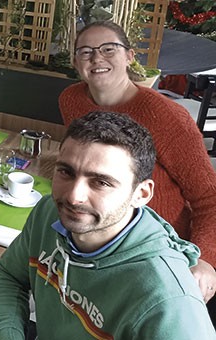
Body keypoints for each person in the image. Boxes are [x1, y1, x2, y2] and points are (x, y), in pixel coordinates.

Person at [0, 111, 216, 339]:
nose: (74, 196)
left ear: (141, 194)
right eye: (66, 172)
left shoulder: (170, 302)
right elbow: (8, 275)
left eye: (101, 182)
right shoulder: (48, 212)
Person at [58, 21, 216, 304]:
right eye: (86, 51)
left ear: (130, 56)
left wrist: (205, 259)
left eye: (109, 49)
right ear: (74, 62)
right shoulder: (71, 100)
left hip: (155, 250)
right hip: (97, 239)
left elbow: (209, 198)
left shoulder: (167, 117)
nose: (97, 58)